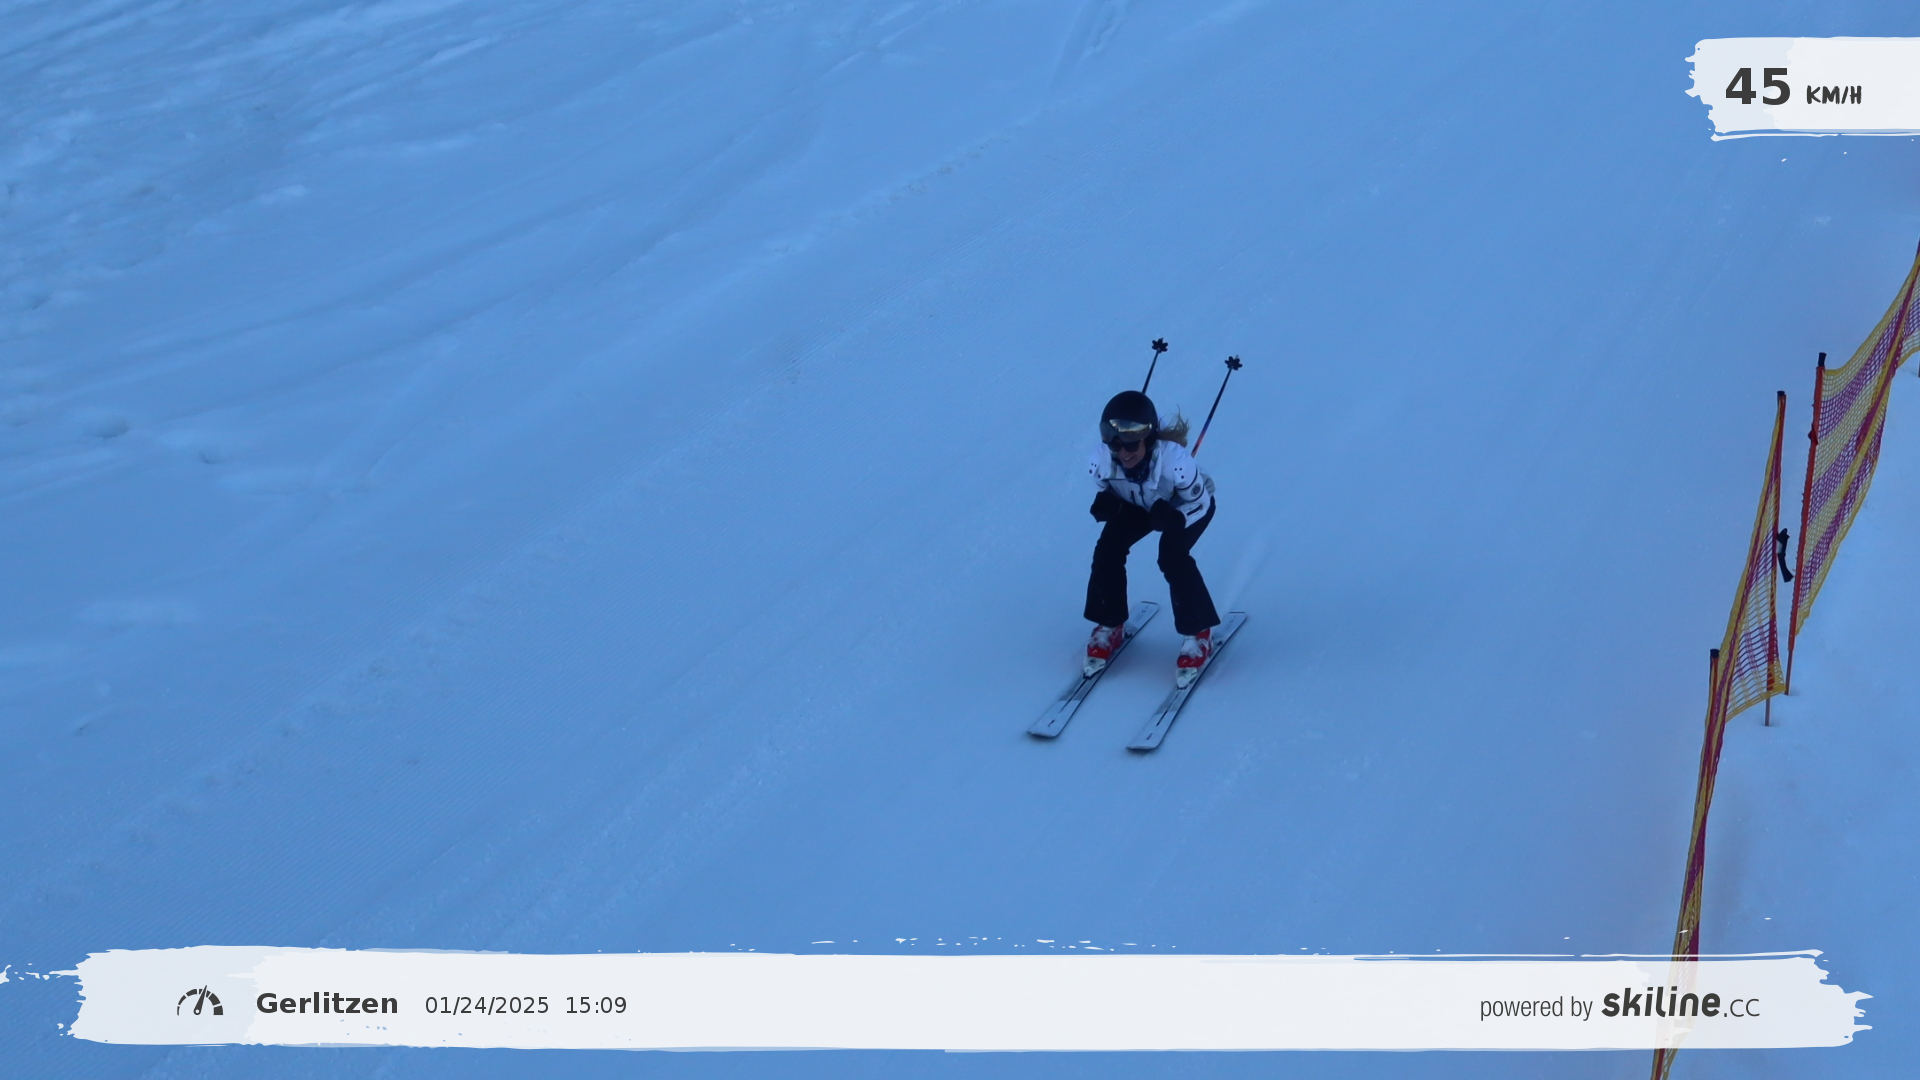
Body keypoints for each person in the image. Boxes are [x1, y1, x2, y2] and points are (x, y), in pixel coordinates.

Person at [1083, 390, 1220, 686]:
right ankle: (1110, 623)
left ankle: (1198, 633)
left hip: (1185, 506)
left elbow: (1200, 503)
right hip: (1140, 504)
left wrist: (1175, 518)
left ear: (1148, 438)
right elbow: (1111, 489)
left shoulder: (1176, 464)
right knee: (1108, 549)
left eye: (1131, 443)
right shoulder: (1101, 461)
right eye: (1115, 443)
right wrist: (1107, 500)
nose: (1123, 452)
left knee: (1172, 555)